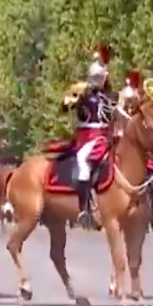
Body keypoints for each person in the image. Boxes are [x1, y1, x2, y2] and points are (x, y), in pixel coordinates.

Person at [61, 44, 116, 228]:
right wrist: (71, 101)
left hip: (106, 134)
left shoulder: (111, 96)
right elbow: (65, 107)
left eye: (101, 78)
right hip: (88, 135)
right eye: (96, 78)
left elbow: (116, 115)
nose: (99, 81)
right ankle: (84, 208)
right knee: (83, 162)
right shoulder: (84, 96)